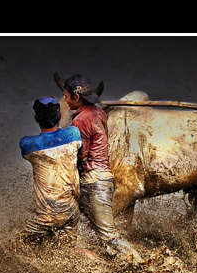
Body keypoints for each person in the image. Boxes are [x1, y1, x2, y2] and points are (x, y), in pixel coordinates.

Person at [61, 73, 140, 260]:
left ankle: (142, 263)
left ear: (76, 97)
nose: (65, 100)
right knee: (66, 218)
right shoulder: (98, 112)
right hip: (102, 178)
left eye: (65, 96)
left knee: (109, 236)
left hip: (93, 182)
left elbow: (81, 154)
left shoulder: (80, 120)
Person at [14, 96, 96, 260]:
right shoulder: (73, 134)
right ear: (59, 117)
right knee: (69, 251)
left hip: (50, 215)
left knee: (13, 246)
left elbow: (34, 149)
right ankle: (99, 263)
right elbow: (79, 152)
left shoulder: (28, 144)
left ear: (36, 118)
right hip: (72, 210)